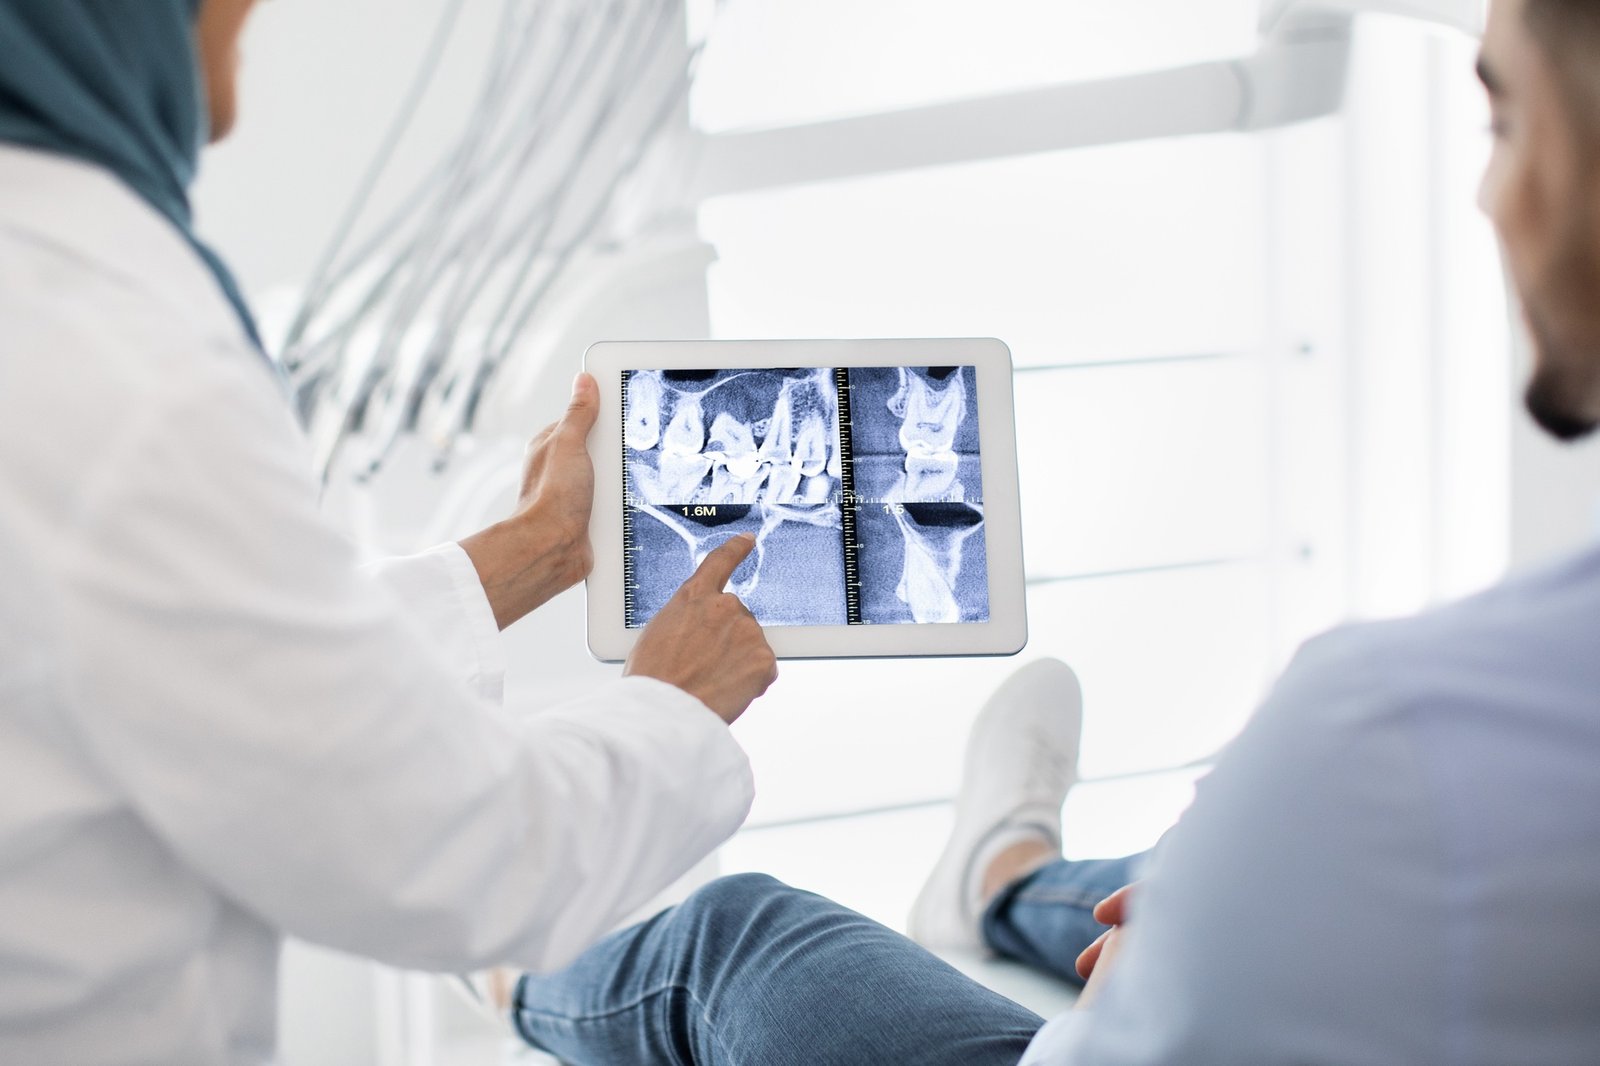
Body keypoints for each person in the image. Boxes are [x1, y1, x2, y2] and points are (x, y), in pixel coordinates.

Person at [499, 0, 1600, 1062]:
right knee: (1209, 874)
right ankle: (1003, 877)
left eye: (1501, 122)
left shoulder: (1385, 728)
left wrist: (1121, 1016)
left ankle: (511, 969)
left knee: (732, 933)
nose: (1486, 196)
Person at [0, 2, 776, 1062]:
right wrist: (673, 705)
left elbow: (188, 663)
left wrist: (519, 558)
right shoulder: (127, 369)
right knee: (745, 933)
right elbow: (459, 853)